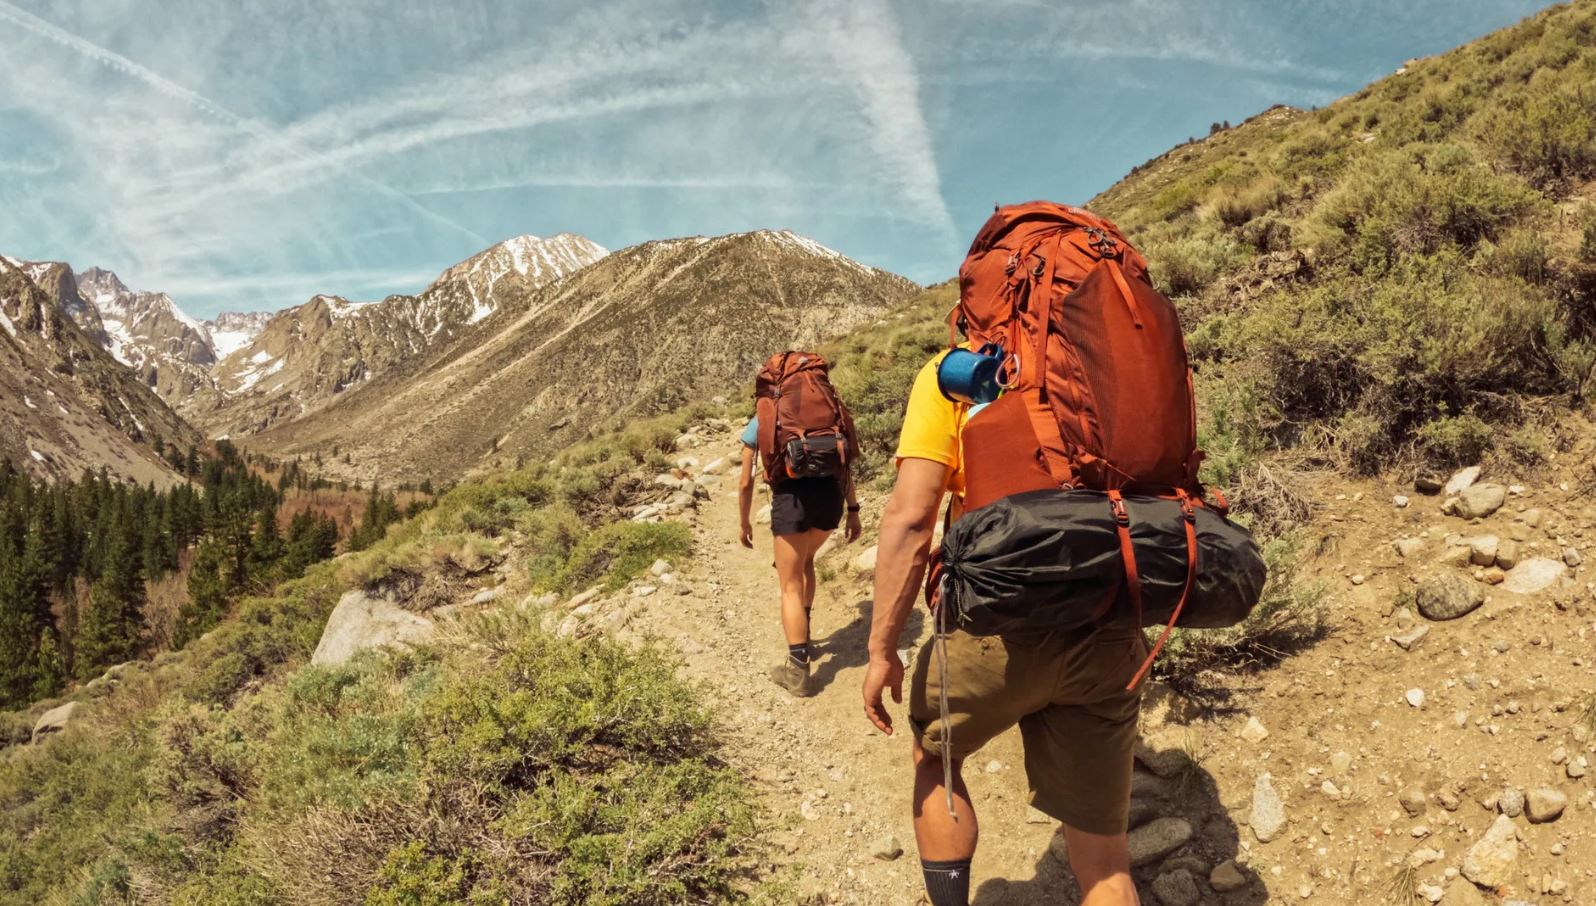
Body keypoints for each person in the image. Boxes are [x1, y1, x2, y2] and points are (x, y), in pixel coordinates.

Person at [861, 351, 1146, 906]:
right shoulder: (1117, 361)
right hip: (1108, 621)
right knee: (1106, 859)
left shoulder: (953, 374)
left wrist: (881, 650)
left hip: (990, 625)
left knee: (936, 759)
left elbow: (913, 517)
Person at [737, 414, 862, 696]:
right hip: (830, 500)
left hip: (791, 500)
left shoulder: (765, 414)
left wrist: (744, 521)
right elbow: (845, 468)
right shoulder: (830, 411)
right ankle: (803, 637)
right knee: (806, 560)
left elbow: (746, 481)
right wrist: (853, 509)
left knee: (789, 585)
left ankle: (798, 671)